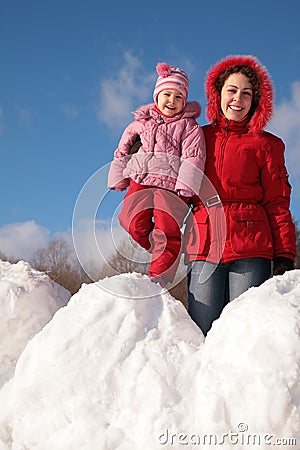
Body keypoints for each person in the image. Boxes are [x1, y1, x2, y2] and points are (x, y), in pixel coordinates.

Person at [184, 55, 296, 335]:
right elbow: (174, 184)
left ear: (256, 101)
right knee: (202, 331)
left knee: (243, 332)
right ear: (217, 94)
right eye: (231, 90)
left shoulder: (268, 145)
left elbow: (277, 202)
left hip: (251, 247)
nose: (238, 98)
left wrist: (284, 252)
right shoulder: (197, 137)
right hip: (204, 244)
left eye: (246, 93)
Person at [108, 62, 206, 287]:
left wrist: (186, 187)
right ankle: (162, 248)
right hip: (141, 179)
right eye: (167, 95)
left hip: (171, 186)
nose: (172, 101)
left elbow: (194, 157)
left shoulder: (189, 127)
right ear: (157, 96)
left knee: (166, 228)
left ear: (184, 101)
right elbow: (123, 149)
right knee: (130, 221)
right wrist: (118, 177)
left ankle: (158, 280)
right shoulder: (140, 123)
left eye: (178, 97)